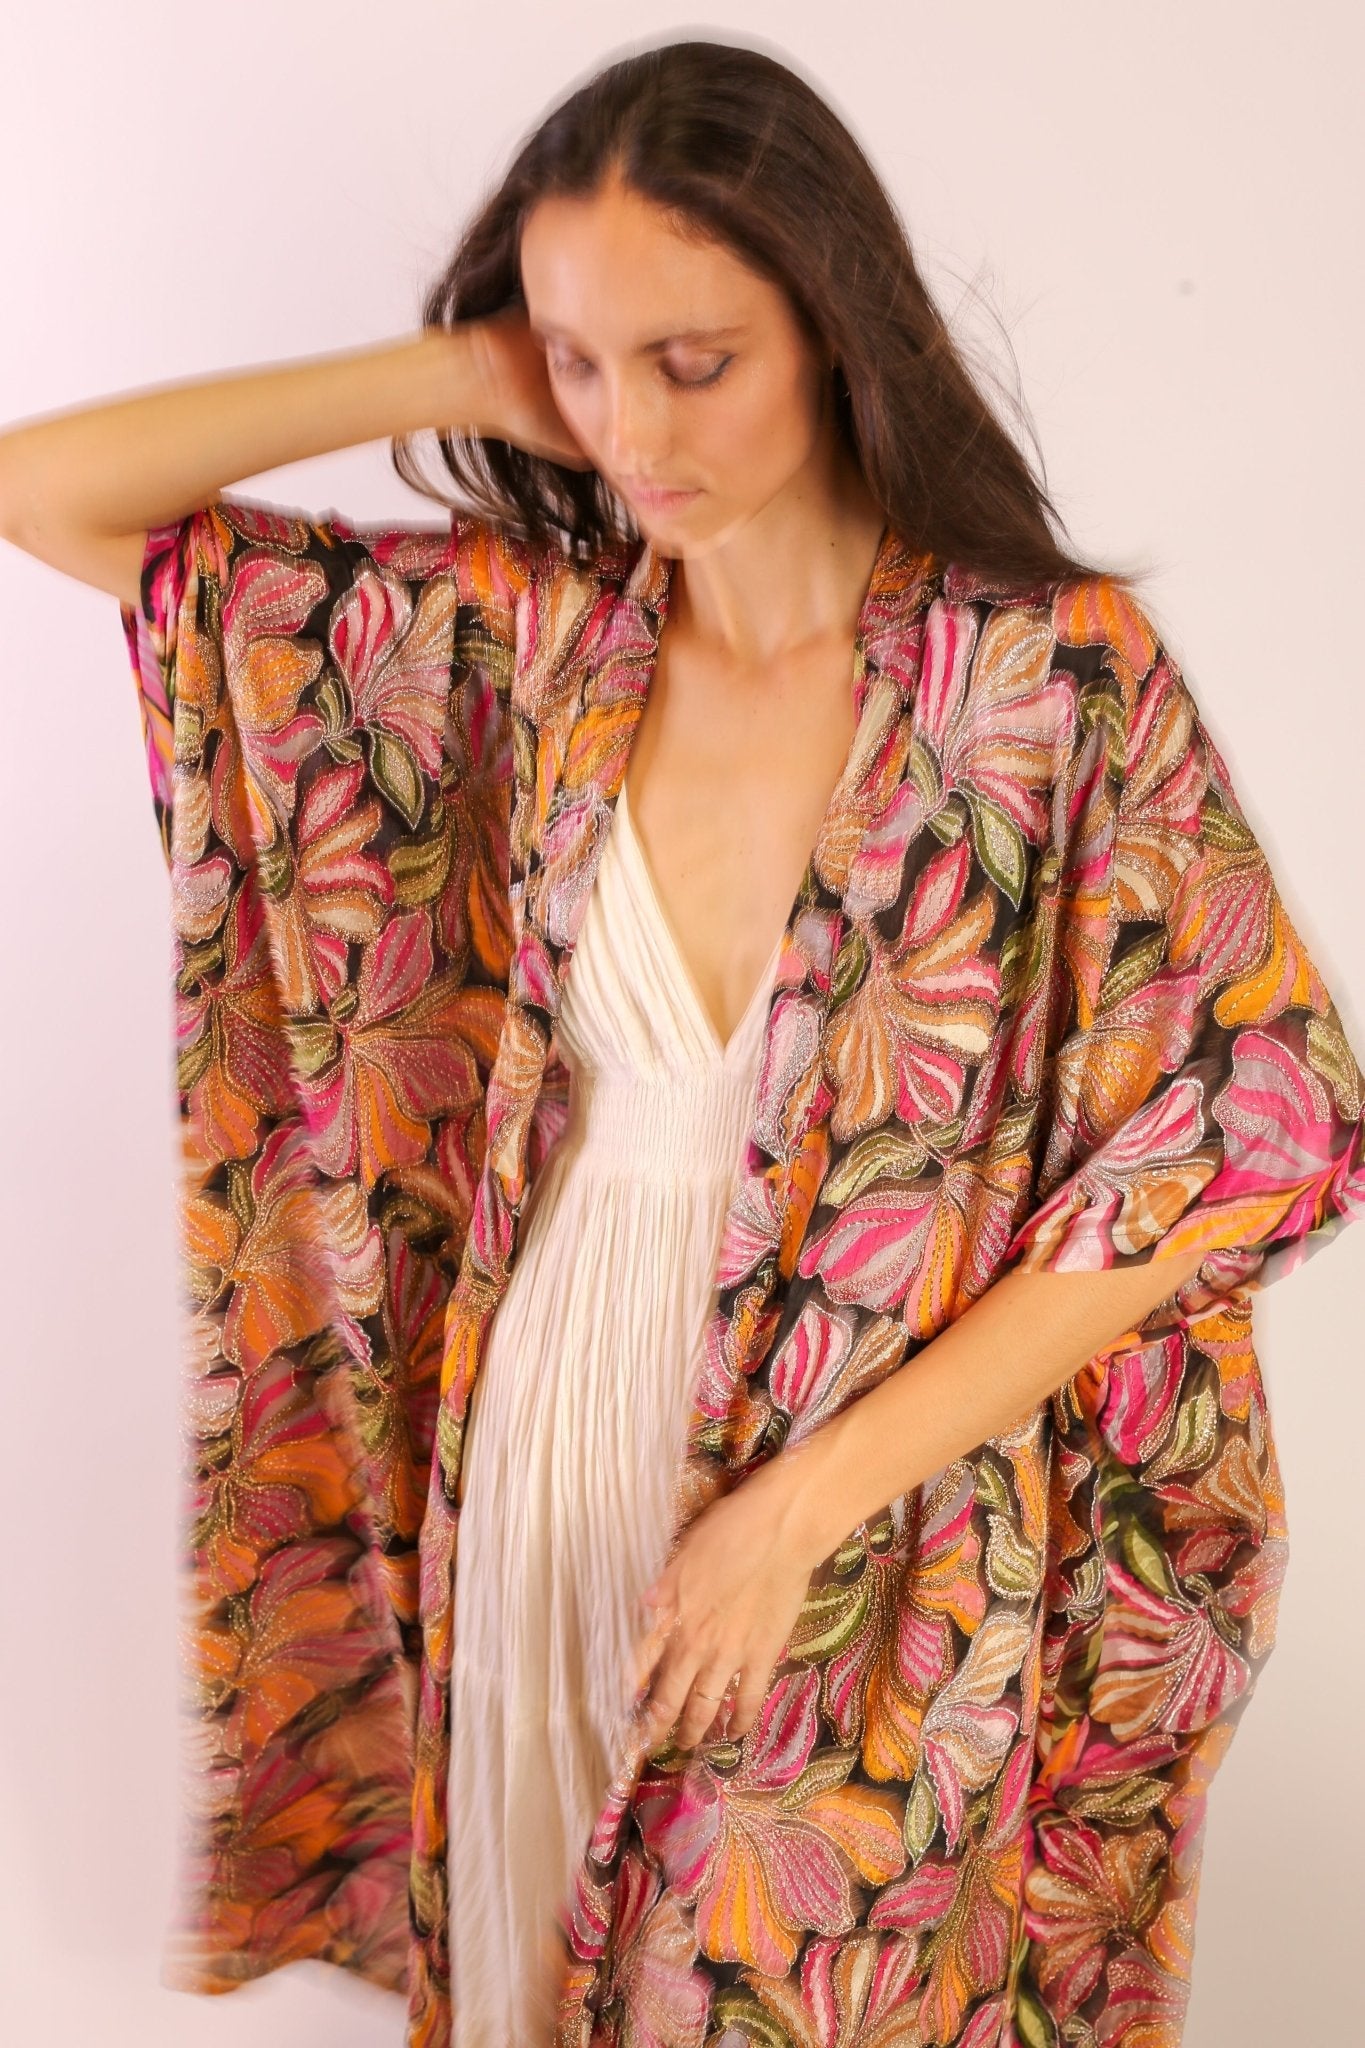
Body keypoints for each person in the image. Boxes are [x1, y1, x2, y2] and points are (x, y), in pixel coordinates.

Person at [3, 35, 1362, 2048]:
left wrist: (801, 1504)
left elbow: (1250, 1127)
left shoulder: (1040, 683)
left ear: (834, 324)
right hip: (552, 1440)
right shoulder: (541, 646)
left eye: (692, 361)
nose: (628, 429)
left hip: (873, 1519)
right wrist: (462, 372)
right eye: (578, 363)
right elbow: (44, 492)